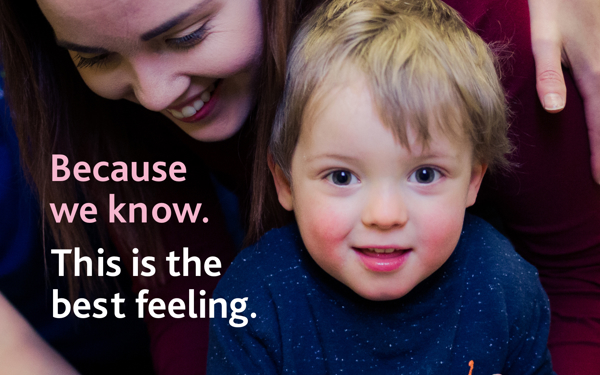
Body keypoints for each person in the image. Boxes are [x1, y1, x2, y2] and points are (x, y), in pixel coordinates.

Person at [0, 0, 597, 373]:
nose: (155, 95)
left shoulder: (483, 30)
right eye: (96, 57)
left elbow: (581, 279)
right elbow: (185, 301)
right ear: (281, 177)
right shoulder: (262, 300)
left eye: (185, 35)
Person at [207, 1, 554, 374]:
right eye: (341, 177)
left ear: (473, 181)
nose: (385, 216)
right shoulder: (256, 301)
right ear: (285, 182)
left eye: (424, 175)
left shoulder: (504, 285)